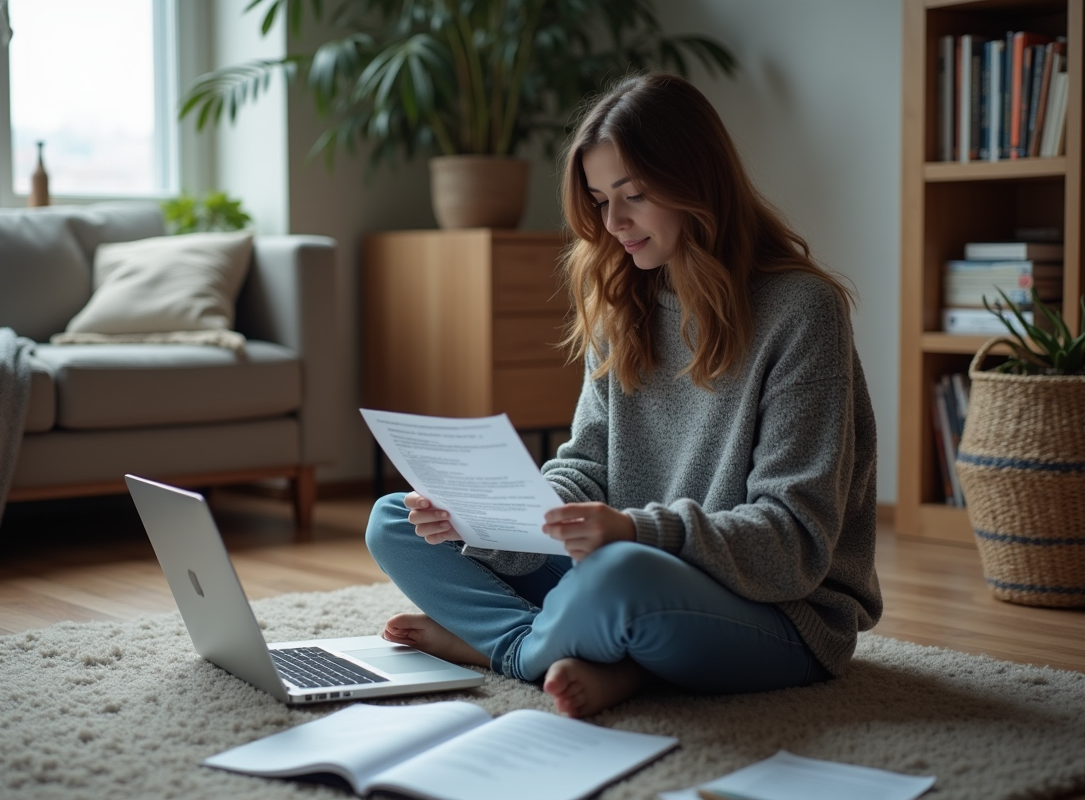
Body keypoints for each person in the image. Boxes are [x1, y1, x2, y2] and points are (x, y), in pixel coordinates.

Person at [364, 72, 881, 718]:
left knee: (615, 580)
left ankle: (506, 647)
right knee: (395, 522)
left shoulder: (803, 311)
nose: (613, 223)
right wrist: (487, 520)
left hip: (777, 614)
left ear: (697, 184)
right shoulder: (624, 301)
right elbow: (585, 468)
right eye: (599, 199)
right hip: (629, 572)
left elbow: (793, 546)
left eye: (632, 196)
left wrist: (634, 531)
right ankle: (579, 649)